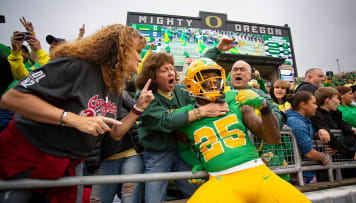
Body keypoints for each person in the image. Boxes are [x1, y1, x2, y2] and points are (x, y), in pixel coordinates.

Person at [0, 24, 154, 203]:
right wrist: (73, 119)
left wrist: (138, 108)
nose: (139, 57)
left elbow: (115, 134)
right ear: (118, 49)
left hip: (71, 163)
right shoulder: (74, 66)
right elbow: (12, 98)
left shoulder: (115, 86)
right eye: (137, 51)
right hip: (29, 155)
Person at [174, 58, 310, 202]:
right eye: (205, 77)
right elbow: (183, 148)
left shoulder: (235, 98)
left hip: (258, 173)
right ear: (191, 83)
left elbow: (273, 138)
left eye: (215, 76)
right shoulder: (185, 115)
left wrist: (265, 108)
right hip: (220, 180)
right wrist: (196, 162)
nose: (213, 81)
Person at [135, 52, 229, 203]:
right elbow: (165, 122)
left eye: (171, 69)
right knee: (154, 198)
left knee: (198, 193)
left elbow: (202, 90)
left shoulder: (180, 91)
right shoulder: (145, 96)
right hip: (158, 154)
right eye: (164, 70)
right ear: (153, 76)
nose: (171, 72)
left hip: (183, 151)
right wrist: (201, 112)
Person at [203, 37, 285, 128]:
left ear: (250, 76)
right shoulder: (220, 87)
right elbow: (201, 67)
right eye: (235, 70)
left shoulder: (258, 94)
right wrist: (217, 49)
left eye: (242, 70)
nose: (238, 72)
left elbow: (276, 115)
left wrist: (263, 123)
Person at [90, 91, 144, 203]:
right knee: (99, 199)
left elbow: (138, 110)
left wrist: (122, 94)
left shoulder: (121, 94)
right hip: (104, 158)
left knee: (130, 199)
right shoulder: (91, 95)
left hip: (131, 154)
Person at [286, 91, 329, 184]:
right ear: (303, 105)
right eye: (313, 103)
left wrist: (319, 132)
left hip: (305, 170)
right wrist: (323, 158)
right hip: (301, 173)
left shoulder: (304, 119)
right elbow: (308, 152)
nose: (316, 107)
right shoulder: (297, 122)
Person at [310, 87, 356, 164]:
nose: (339, 102)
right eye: (337, 98)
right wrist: (354, 155)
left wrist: (338, 147)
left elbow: (352, 134)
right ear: (327, 100)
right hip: (324, 160)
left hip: (340, 156)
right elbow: (330, 138)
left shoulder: (335, 115)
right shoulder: (316, 115)